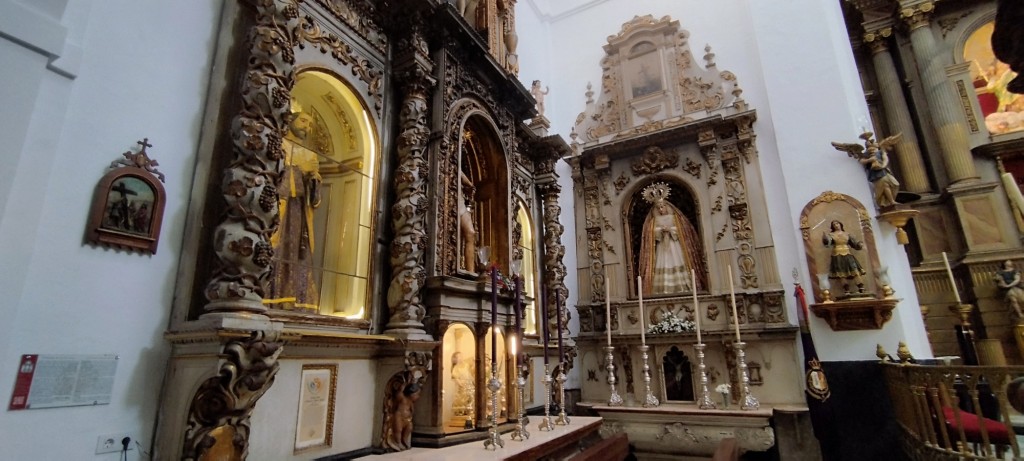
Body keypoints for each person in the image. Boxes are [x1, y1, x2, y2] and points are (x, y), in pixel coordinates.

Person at [265, 110, 322, 312]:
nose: (306, 126)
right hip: (278, 207)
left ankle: (295, 299)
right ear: (291, 120)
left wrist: (313, 179)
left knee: (298, 252)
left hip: (298, 210)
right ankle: (268, 294)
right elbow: (270, 174)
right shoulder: (278, 144)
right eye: (304, 120)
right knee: (275, 245)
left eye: (310, 125)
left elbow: (315, 195)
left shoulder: (310, 154)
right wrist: (297, 169)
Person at [638, 183, 705, 295]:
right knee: (662, 264)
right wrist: (659, 231)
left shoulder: (676, 218)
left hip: (675, 245)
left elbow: (684, 231)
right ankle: (663, 290)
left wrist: (671, 229)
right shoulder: (653, 221)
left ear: (667, 206)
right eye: (658, 207)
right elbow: (649, 236)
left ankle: (684, 288)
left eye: (663, 206)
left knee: (678, 262)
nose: (661, 209)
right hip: (661, 248)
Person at [832, 132, 902, 208]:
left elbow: (885, 159)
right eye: (869, 148)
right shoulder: (866, 155)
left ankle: (889, 201)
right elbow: (861, 161)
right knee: (885, 185)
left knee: (895, 184)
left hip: (884, 171)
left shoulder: (880, 152)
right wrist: (870, 160)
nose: (872, 150)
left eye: (873, 148)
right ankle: (890, 201)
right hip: (876, 174)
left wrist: (883, 166)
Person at [821, 220, 866, 295]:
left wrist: (859, 244)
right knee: (840, 273)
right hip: (837, 255)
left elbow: (854, 243)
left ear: (840, 224)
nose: (836, 225)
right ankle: (846, 289)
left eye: (837, 223)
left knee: (854, 271)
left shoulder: (847, 234)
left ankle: (861, 287)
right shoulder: (831, 235)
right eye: (834, 224)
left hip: (847, 253)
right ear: (832, 227)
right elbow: (828, 243)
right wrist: (825, 239)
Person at [381, 372, 422, 452]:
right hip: (399, 417)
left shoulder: (410, 402)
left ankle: (405, 439)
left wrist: (410, 415)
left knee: (409, 427)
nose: (418, 397)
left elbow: (411, 410)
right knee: (398, 430)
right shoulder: (403, 398)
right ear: (411, 394)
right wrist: (405, 384)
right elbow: (399, 392)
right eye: (416, 394)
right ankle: (398, 442)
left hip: (407, 419)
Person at [458, 168, 477, 272]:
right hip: (449, 200)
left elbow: (469, 183)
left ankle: (470, 271)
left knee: (471, 233)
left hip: (460, 203)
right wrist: (470, 185)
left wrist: (470, 187)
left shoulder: (457, 166)